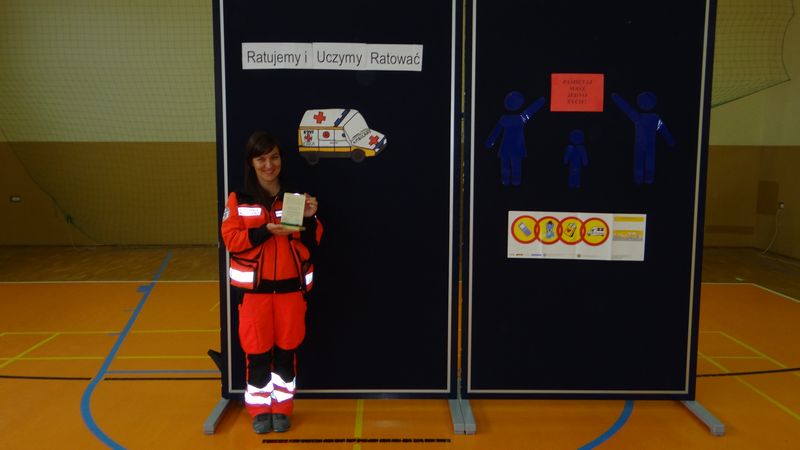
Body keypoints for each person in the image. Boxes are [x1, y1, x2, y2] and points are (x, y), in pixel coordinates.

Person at [220, 131, 322, 434]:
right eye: (261, 159)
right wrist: (265, 231)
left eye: (274, 157)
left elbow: (314, 240)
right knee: (257, 352)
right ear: (251, 163)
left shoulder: (295, 198)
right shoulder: (238, 199)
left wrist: (310, 217)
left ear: (281, 159)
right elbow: (230, 240)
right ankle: (259, 409)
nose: (269, 165)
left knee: (288, 351)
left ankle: (283, 408)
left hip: (291, 291)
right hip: (255, 295)